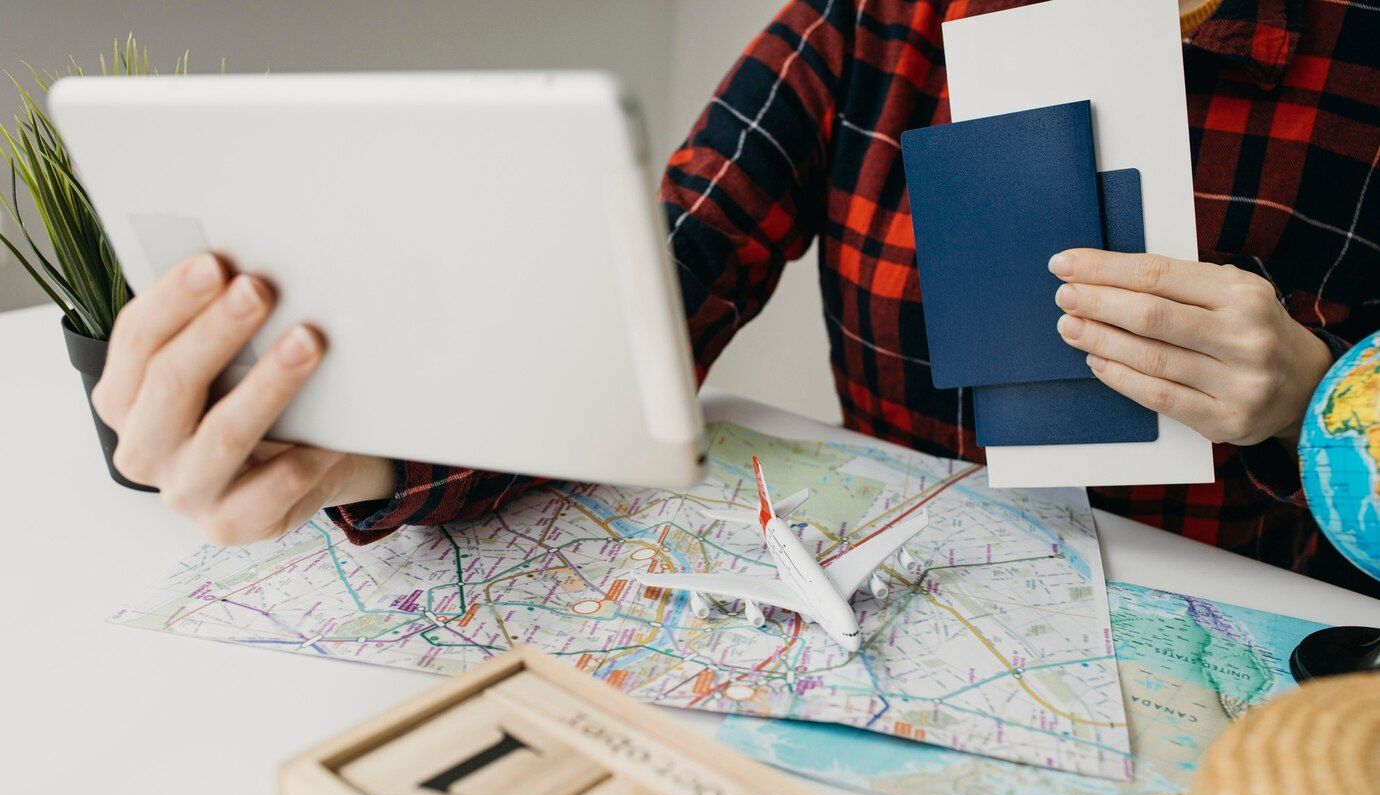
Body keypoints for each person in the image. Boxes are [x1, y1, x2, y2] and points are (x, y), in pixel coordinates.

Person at [90, 0, 1379, 597]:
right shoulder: (872, 15)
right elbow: (633, 319)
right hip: (906, 622)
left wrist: (1316, 400)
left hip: (1264, 726)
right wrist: (363, 446)